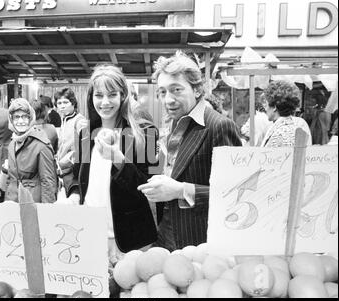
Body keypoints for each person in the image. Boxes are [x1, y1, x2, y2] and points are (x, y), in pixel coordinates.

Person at [137, 51, 243, 251]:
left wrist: (179, 190)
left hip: (198, 240)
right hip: (166, 233)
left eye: (176, 90)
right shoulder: (175, 124)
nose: (168, 99)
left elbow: (235, 195)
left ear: (196, 90)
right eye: (162, 92)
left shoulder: (219, 126)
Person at [63, 64, 159, 264]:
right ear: (91, 98)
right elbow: (75, 175)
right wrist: (73, 194)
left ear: (123, 95)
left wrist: (119, 160)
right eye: (99, 95)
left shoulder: (145, 133)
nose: (105, 102)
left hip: (130, 238)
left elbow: (151, 187)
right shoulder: (85, 134)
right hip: (90, 235)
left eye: (112, 94)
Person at [4, 98, 58, 203]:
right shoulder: (12, 144)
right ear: (11, 120)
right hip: (12, 203)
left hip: (32, 204)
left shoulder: (42, 145)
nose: (20, 121)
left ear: (31, 119)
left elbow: (48, 183)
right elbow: (11, 178)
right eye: (16, 117)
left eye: (25, 117)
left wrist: (47, 212)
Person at [261, 80, 312, 147]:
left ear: (274, 107)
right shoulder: (293, 127)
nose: (265, 109)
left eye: (266, 105)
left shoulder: (280, 133)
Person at [54, 87, 86, 190]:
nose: (62, 106)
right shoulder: (64, 120)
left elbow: (85, 148)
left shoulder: (80, 121)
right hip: (62, 171)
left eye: (65, 102)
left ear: (73, 103)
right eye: (59, 103)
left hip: (72, 172)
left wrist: (67, 161)